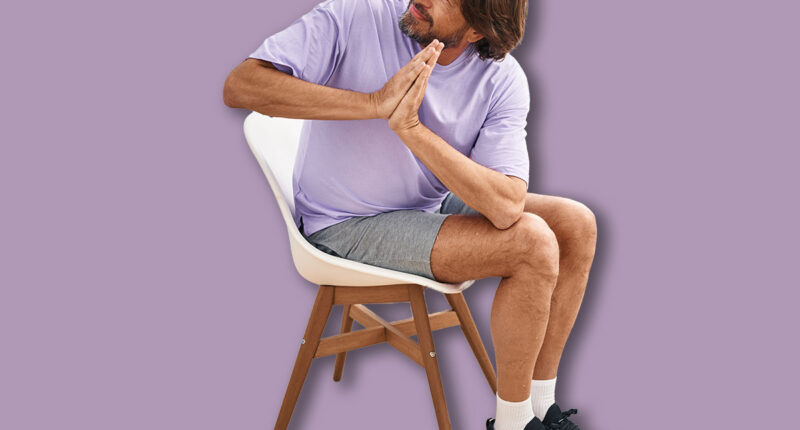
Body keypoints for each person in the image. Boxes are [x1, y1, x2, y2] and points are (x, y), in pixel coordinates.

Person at [223, 0, 597, 428]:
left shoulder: (501, 78)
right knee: (531, 244)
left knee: (575, 225)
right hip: (346, 223)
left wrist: (412, 131)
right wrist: (374, 103)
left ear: (478, 30)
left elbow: (507, 204)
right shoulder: (356, 14)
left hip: (427, 205)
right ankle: (512, 424)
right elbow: (241, 86)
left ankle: (540, 406)